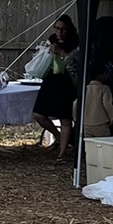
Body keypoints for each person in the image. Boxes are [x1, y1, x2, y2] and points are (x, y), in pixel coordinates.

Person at [29, 14, 80, 158]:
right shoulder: (52, 39)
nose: (60, 32)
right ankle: (58, 137)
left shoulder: (75, 42)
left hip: (67, 81)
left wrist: (61, 52)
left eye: (63, 29)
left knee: (65, 118)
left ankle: (62, 154)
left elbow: (76, 61)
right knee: (38, 114)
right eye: (57, 28)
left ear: (69, 29)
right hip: (51, 79)